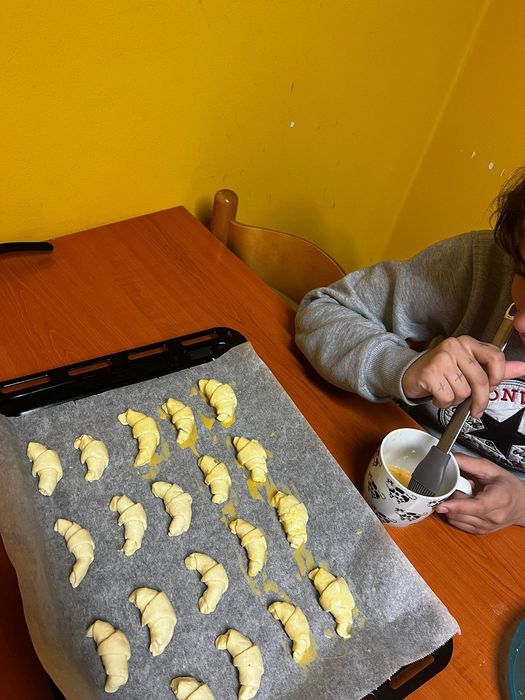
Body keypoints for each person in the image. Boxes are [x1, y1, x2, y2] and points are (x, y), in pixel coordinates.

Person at [295, 168, 525, 535]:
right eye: (524, 273)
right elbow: (323, 310)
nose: (521, 324)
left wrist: (521, 507)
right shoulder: (485, 263)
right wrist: (401, 367)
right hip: (375, 455)